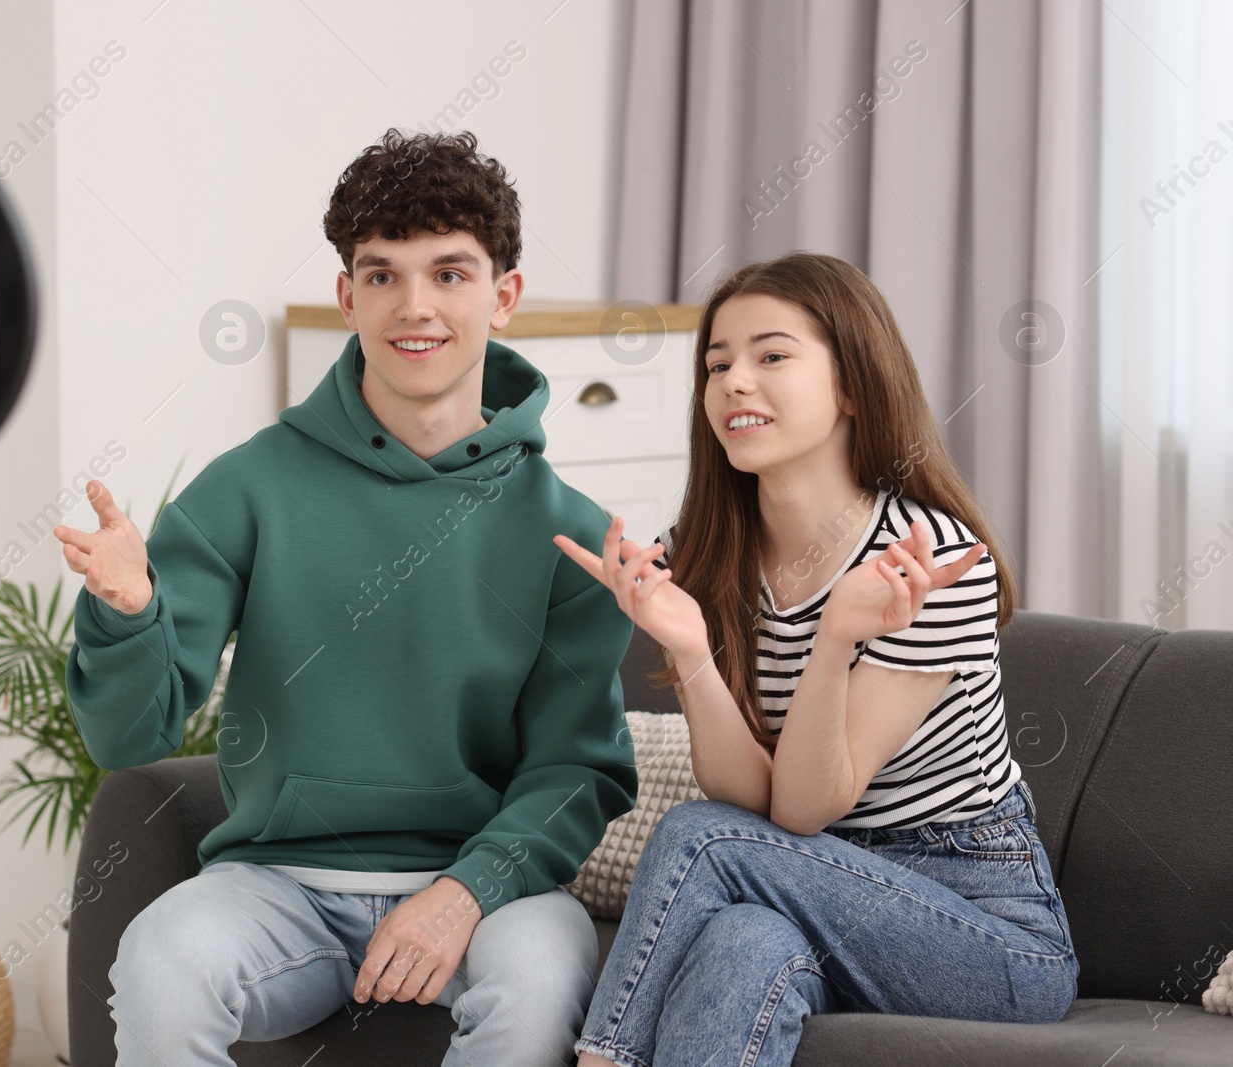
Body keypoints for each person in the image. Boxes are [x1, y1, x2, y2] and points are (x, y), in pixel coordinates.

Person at [54, 128, 639, 1067]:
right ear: (347, 295)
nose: (416, 307)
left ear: (505, 295)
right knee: (162, 957)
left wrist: (467, 891)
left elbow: (578, 768)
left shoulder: (568, 528)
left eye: (450, 274)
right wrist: (128, 613)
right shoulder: (247, 488)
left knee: (539, 979)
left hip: (485, 894)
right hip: (275, 886)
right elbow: (129, 739)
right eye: (382, 275)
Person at [555, 252, 1080, 1067]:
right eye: (717, 363)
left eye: (771, 355)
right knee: (742, 939)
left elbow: (801, 810)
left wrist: (836, 636)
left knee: (700, 837)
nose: (734, 381)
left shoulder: (929, 559)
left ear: (850, 386)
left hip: (984, 927)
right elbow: (758, 799)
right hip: (809, 889)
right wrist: (690, 649)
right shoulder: (709, 555)